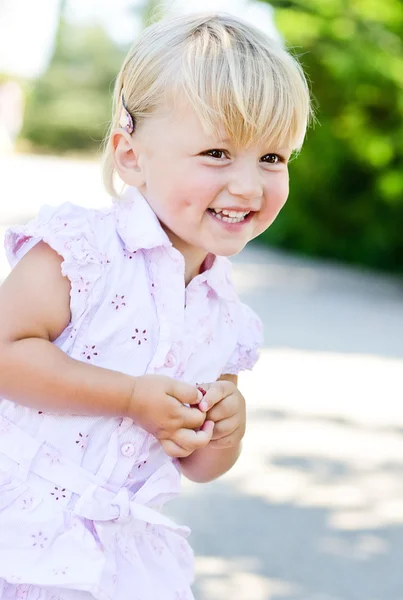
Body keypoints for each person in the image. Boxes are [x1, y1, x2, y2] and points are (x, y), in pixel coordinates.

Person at [0, 12, 311, 600]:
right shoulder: (82, 252)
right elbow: (5, 351)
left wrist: (221, 435)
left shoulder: (225, 314)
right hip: (20, 534)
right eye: (218, 152)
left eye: (273, 158)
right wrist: (128, 396)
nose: (248, 184)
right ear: (131, 156)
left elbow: (194, 464)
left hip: (121, 566)